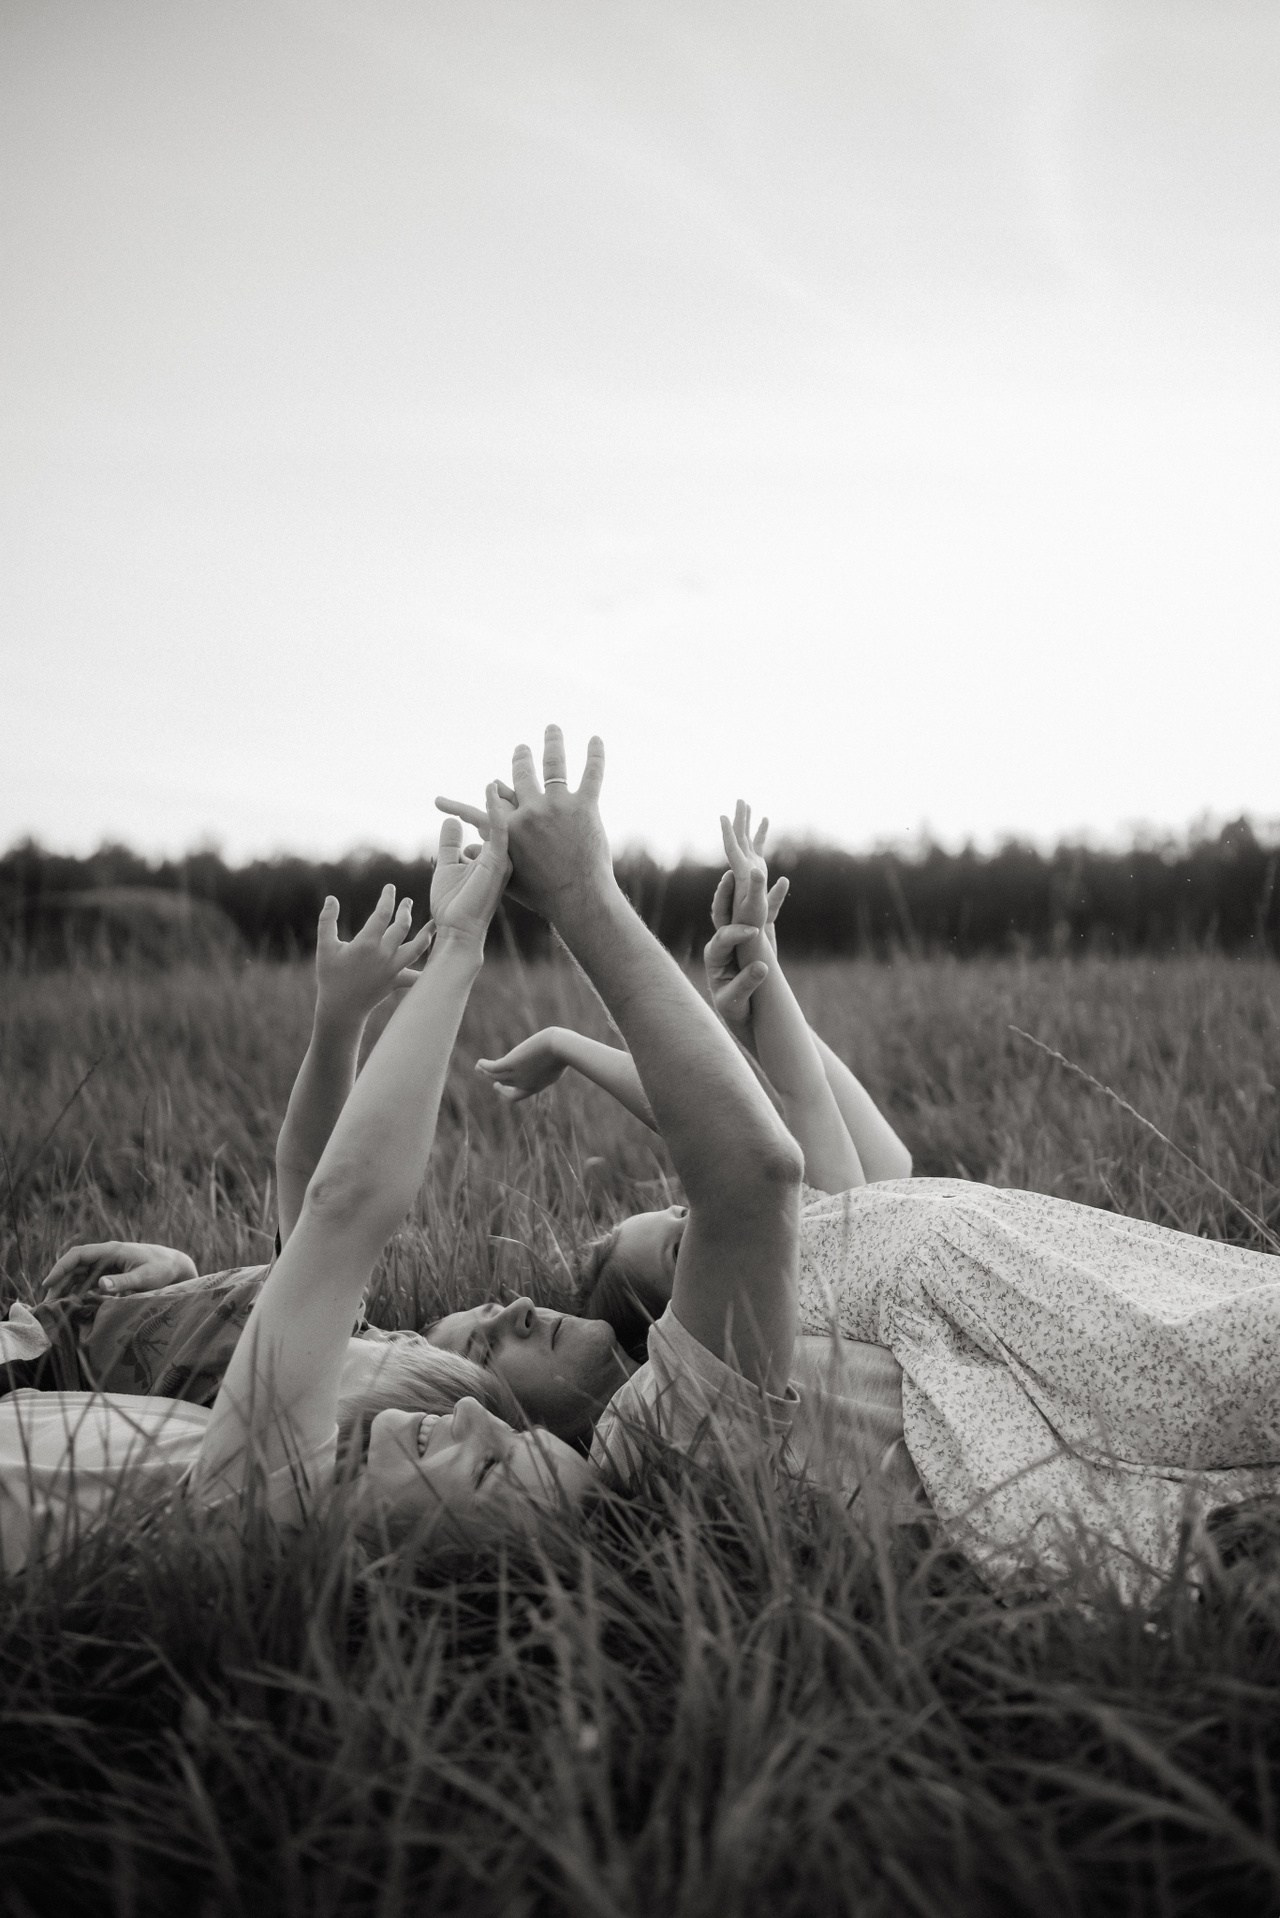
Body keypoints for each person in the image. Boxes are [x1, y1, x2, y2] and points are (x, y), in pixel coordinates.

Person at [0, 731, 806, 1572]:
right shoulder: (271, 1452)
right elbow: (317, 1195)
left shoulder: (259, 1510)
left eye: (491, 1447)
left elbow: (339, 1207)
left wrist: (467, 941)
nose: (475, 1412)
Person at [461, 800, 1280, 1597]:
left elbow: (794, 1106)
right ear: (688, 1307)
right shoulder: (775, 1322)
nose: (695, 1215)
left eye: (682, 1211)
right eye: (682, 1244)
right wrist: (586, 993)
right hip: (1072, 1326)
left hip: (1085, 1275)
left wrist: (760, 977)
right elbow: (736, 1152)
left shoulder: (834, 1245)